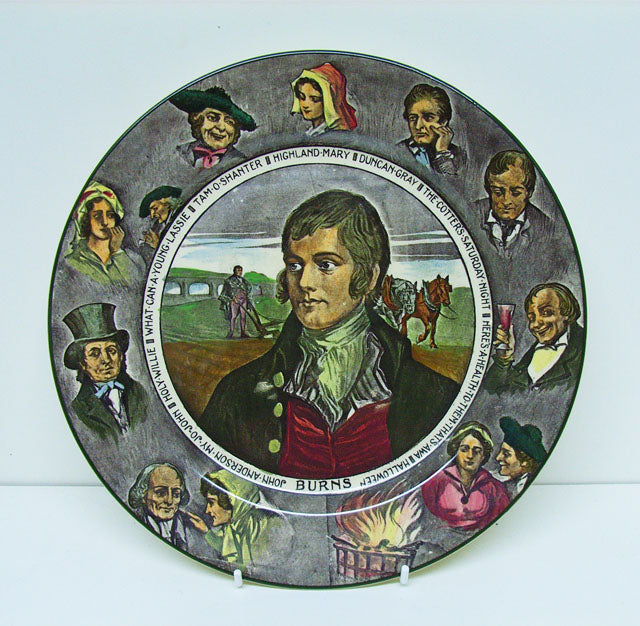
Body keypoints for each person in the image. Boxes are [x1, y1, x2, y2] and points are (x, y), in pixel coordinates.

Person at [199, 190, 459, 477]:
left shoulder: (433, 396)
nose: (304, 282)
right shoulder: (238, 394)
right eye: (295, 265)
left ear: (369, 276)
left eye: (326, 265)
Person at [62, 303, 148, 441]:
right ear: (82, 363)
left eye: (111, 351)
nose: (106, 360)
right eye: (95, 354)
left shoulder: (140, 393)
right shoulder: (78, 409)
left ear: (121, 356)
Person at [484, 282, 584, 393]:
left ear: (567, 312)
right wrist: (504, 360)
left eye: (546, 312)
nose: (535, 324)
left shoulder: (584, 348)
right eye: (532, 318)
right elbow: (491, 391)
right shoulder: (529, 357)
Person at [192, 470, 294, 568]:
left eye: (211, 502)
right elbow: (226, 547)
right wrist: (206, 531)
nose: (207, 510)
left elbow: (255, 569)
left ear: (230, 500)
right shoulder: (233, 527)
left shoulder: (265, 525)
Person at [421, 421, 509, 531]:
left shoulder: (494, 487)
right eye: (464, 450)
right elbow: (423, 518)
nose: (470, 456)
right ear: (456, 451)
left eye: (477, 451)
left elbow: (501, 523)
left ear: (483, 455)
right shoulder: (435, 481)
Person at [473, 151, 553, 258]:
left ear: (529, 192)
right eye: (498, 192)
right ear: (488, 190)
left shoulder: (545, 228)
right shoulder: (470, 213)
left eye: (516, 193)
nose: (506, 201)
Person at [64, 181, 144, 287]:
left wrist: (117, 252)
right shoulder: (73, 262)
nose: (105, 222)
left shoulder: (134, 259)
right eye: (97, 216)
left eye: (110, 215)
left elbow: (138, 287)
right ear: (85, 220)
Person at [169, 86, 256, 168]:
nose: (221, 127)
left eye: (229, 122)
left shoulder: (240, 162)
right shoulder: (179, 154)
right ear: (197, 119)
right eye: (212, 118)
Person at [128, 463, 202, 551]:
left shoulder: (192, 528)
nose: (169, 501)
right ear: (143, 495)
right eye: (160, 493)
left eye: (176, 494)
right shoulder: (131, 522)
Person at [398, 84, 465, 175]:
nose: (418, 126)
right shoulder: (398, 151)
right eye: (413, 118)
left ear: (443, 122)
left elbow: (449, 182)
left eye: (428, 118)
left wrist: (442, 153)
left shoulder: (459, 156)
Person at [291, 63, 357, 136]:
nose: (306, 105)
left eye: (314, 99)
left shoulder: (336, 135)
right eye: (302, 97)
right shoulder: (310, 133)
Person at [495, 417, 547, 498]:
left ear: (524, 461)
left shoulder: (539, 486)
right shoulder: (503, 488)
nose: (498, 458)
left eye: (506, 454)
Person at [138, 185, 182, 263]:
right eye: (150, 211)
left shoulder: (180, 217)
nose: (152, 215)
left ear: (167, 203)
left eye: (155, 208)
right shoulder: (157, 226)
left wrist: (158, 245)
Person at [219, 265, 252, 338]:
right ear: (234, 271)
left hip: (243, 300)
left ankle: (243, 332)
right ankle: (231, 332)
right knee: (233, 317)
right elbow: (227, 291)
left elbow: (248, 288)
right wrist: (233, 298)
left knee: (243, 316)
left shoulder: (243, 280)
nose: (240, 272)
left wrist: (246, 297)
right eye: (238, 270)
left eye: (241, 270)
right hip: (234, 301)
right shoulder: (229, 280)